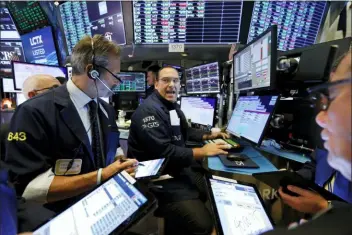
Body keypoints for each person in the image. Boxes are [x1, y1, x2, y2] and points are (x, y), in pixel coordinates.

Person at [4, 35, 137, 216]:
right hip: (59, 216)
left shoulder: (105, 109)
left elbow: (112, 149)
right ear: (92, 71)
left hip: (103, 208)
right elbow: (28, 188)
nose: (117, 81)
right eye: (114, 75)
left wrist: (119, 162)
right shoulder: (34, 111)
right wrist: (101, 176)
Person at [128, 66, 230, 235]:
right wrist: (203, 151)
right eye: (166, 80)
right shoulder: (149, 111)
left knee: (207, 187)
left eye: (175, 80)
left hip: (174, 171)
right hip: (156, 177)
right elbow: (164, 152)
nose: (172, 85)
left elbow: (185, 132)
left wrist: (209, 134)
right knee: (205, 226)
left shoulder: (171, 106)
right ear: (156, 84)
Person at [262, 49, 352, 234]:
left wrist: (325, 206)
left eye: (334, 94)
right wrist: (294, 180)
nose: (320, 118)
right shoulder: (329, 137)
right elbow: (315, 163)